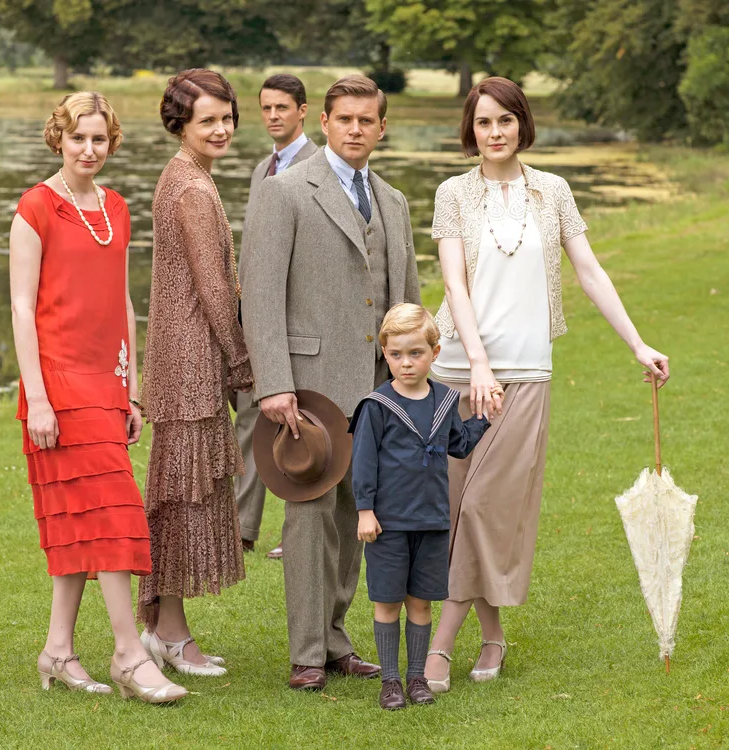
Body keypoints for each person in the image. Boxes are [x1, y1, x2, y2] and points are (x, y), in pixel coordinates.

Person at [423, 77, 671, 692]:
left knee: (486, 506)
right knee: (458, 511)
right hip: (456, 368)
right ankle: (495, 636)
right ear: (470, 130)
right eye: (484, 123)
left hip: (525, 372)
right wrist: (477, 363)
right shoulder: (453, 193)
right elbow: (454, 284)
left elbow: (588, 270)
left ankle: (439, 648)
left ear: (522, 124)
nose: (495, 132)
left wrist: (638, 343)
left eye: (505, 120)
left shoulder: (552, 191)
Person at [242, 74, 421, 691]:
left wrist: (412, 381)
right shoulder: (285, 191)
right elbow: (260, 297)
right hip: (309, 383)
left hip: (377, 389)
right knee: (310, 513)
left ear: (381, 127)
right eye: (344, 119)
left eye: (366, 121)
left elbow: (407, 305)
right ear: (324, 121)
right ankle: (307, 654)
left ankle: (339, 638)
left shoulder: (393, 202)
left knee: (357, 515)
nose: (354, 129)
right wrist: (272, 382)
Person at [10, 91, 186, 703]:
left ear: (111, 143)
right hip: (57, 386)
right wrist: (36, 397)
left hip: (107, 383)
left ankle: (58, 651)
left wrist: (132, 389)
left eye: (100, 139)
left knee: (81, 522)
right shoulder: (34, 209)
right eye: (78, 137)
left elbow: (123, 301)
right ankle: (129, 655)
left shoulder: (116, 208)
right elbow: (20, 307)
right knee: (112, 512)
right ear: (58, 137)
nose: (89, 149)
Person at [137, 69, 253, 679]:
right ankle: (172, 635)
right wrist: (242, 363)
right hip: (191, 363)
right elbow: (212, 289)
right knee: (183, 502)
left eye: (227, 117)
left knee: (179, 497)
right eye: (207, 119)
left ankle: (160, 626)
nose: (221, 129)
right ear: (180, 123)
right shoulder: (190, 188)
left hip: (182, 358)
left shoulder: (187, 177)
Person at [350, 304, 489, 710]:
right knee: (388, 601)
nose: (406, 363)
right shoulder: (376, 405)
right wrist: (364, 510)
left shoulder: (445, 399)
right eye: (396, 355)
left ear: (435, 352)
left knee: (421, 602)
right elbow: (364, 462)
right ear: (385, 354)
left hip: (431, 520)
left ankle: (417, 679)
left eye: (415, 353)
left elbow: (459, 446)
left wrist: (483, 417)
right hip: (387, 523)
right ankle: (390, 681)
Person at [235, 73, 318, 560]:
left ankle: (297, 530)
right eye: (266, 108)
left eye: (282, 107)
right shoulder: (261, 168)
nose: (272, 116)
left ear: (303, 110)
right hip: (255, 314)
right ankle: (244, 528)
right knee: (250, 415)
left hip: (299, 317)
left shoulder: (317, 166)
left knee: (297, 421)